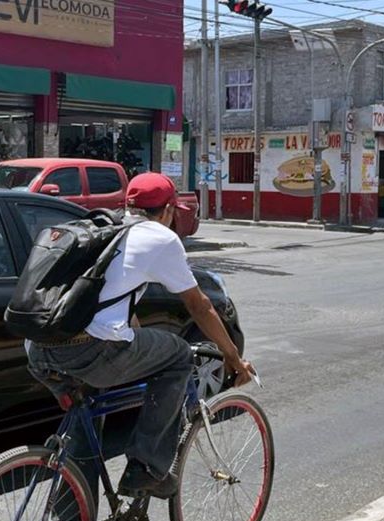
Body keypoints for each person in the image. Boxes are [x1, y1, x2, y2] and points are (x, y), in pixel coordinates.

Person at [27, 172, 255, 500]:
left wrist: (137, 348)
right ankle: (146, 467)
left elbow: (114, 301)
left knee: (86, 421)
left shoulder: (105, 228)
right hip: (88, 350)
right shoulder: (159, 238)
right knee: (178, 355)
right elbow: (199, 305)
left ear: (128, 205)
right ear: (168, 211)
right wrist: (234, 359)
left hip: (38, 348)